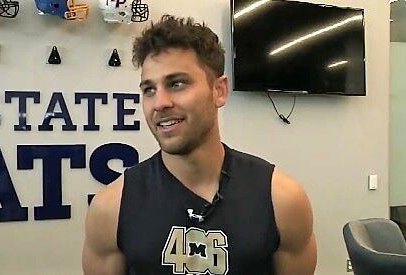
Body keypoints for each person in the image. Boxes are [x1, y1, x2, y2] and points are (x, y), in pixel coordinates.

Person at [82, 14, 317, 275]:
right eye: (149, 89)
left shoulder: (283, 200)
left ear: (219, 91)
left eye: (177, 83)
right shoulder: (110, 208)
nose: (159, 103)